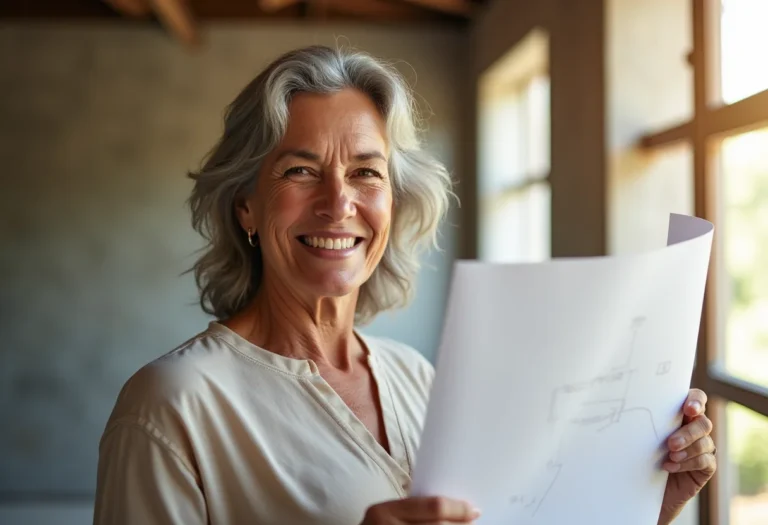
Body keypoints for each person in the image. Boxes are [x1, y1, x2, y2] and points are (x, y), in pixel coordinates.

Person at [93, 45, 716, 525]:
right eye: (300, 170)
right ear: (246, 207)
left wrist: (645, 497)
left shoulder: (415, 376)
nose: (338, 204)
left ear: (393, 201)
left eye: (366, 172)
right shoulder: (170, 405)